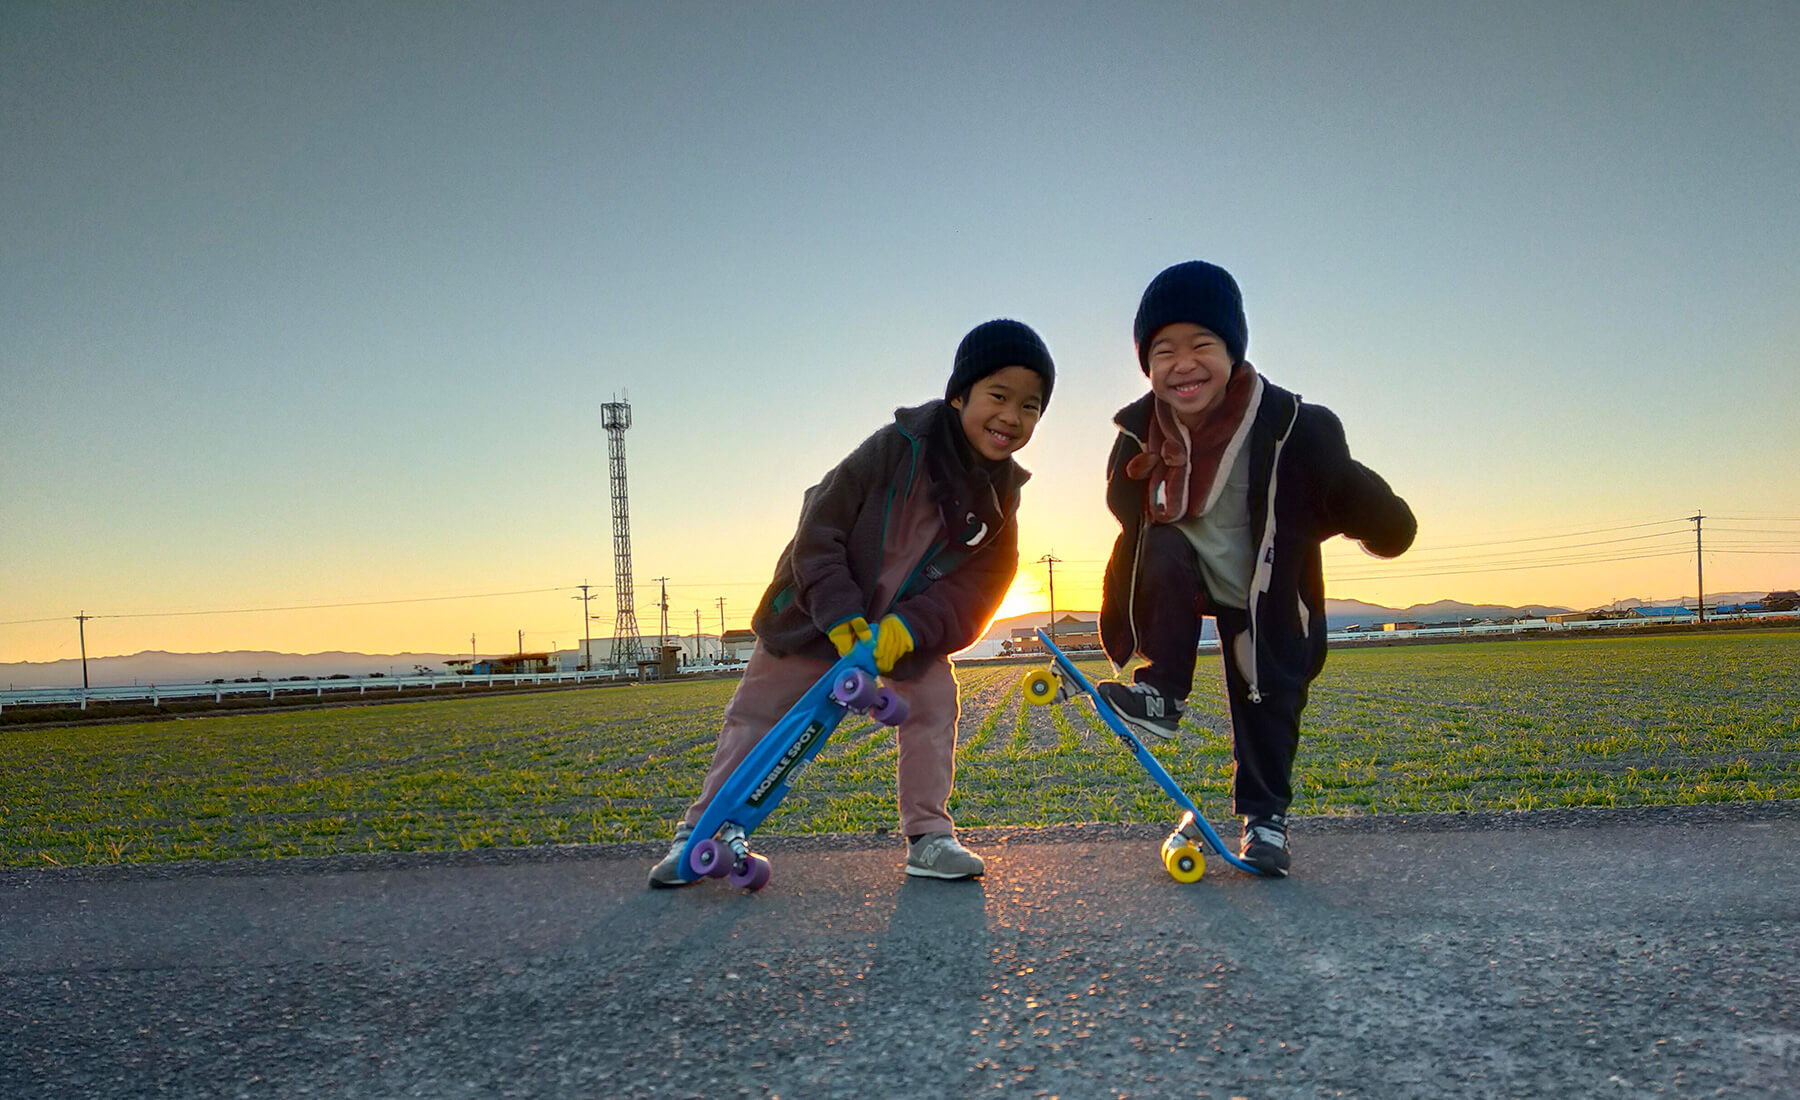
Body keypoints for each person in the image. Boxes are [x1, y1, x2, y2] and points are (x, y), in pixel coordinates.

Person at [649, 319, 1055, 886]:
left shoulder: (1000, 499)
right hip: (815, 620)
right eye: (998, 396)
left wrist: (907, 631)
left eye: (1031, 407)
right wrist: (841, 619)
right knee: (756, 716)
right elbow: (820, 530)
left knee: (935, 704)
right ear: (959, 393)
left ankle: (929, 837)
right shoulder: (895, 447)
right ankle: (699, 836)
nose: (1012, 417)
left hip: (902, 637)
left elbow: (981, 586)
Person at [1095, 261, 1416, 876]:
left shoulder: (1291, 427)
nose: (1182, 364)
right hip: (1185, 578)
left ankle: (1265, 822)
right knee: (1163, 547)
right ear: (1147, 365)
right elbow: (1130, 527)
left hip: (1267, 591)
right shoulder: (1138, 437)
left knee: (1264, 699)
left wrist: (1383, 522)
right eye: (1163, 351)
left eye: (1201, 346)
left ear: (1233, 352)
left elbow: (1343, 489)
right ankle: (1162, 693)